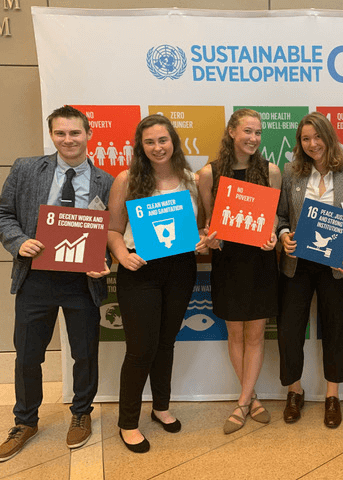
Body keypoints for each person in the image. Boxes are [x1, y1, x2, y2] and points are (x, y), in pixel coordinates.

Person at [0, 106, 113, 461]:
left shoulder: (107, 181)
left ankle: (81, 413)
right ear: (51, 135)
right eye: (60, 133)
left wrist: (105, 262)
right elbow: (4, 214)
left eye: (75, 133)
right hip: (36, 277)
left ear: (89, 134)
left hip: (82, 282)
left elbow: (114, 231)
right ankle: (25, 421)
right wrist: (19, 241)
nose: (68, 140)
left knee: (85, 352)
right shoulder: (26, 168)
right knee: (27, 354)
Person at [107, 115, 206, 453]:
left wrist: (202, 239)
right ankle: (128, 422)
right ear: (141, 146)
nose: (157, 147)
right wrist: (123, 255)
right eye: (149, 142)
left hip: (180, 268)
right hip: (140, 269)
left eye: (163, 140)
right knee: (140, 350)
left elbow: (200, 227)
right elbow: (113, 230)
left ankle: (160, 407)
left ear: (174, 142)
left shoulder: (191, 180)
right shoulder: (127, 179)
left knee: (166, 343)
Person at [277, 112, 343, 428]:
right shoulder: (291, 173)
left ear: (329, 137)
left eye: (317, 136)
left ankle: (332, 396)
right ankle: (294, 391)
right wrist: (283, 236)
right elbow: (281, 216)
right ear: (299, 142)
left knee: (337, 328)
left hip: (337, 264)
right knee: (289, 330)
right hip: (297, 264)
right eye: (305, 138)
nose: (312, 143)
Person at [198, 109, 282, 434]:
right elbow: (207, 222)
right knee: (235, 335)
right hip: (228, 262)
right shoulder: (209, 174)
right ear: (232, 131)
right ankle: (251, 398)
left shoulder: (271, 171)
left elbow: (275, 216)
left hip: (260, 262)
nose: (253, 138)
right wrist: (210, 238)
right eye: (247, 131)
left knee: (256, 335)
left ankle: (243, 402)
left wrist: (272, 233)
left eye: (258, 133)